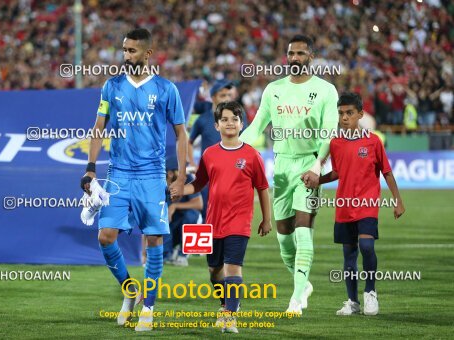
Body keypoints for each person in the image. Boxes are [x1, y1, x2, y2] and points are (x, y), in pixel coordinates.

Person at [80, 28, 188, 332]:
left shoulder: (167, 89)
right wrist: (90, 168)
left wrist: (180, 176)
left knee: (154, 238)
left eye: (132, 51)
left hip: (153, 175)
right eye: (124, 50)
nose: (126, 56)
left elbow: (181, 133)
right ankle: (130, 290)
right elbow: (99, 127)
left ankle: (149, 308)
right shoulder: (111, 87)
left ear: (147, 54)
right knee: (105, 236)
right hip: (118, 174)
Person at [239, 34, 339, 315]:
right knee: (284, 237)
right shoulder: (274, 89)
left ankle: (296, 298)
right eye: (291, 53)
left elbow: (330, 131)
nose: (294, 58)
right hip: (281, 166)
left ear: (312, 57)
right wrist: (234, 147)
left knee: (304, 229)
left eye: (300, 54)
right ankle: (302, 282)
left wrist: (319, 165)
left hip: (309, 164)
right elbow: (258, 124)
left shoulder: (325, 90)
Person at [173, 101, 272, 333]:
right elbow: (198, 183)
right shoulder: (209, 154)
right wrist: (179, 190)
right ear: (217, 125)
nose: (230, 123)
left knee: (233, 269)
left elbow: (263, 188)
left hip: (239, 222)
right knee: (215, 272)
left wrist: (267, 219)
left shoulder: (252, 155)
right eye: (225, 119)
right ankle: (226, 305)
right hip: (212, 222)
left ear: (241, 123)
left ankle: (230, 316)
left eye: (235, 119)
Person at [306, 92, 405, 316]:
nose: (344, 117)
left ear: (360, 114)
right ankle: (352, 301)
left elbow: (387, 172)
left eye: (350, 113)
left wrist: (398, 201)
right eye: (341, 113)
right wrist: (317, 179)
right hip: (344, 206)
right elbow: (337, 173)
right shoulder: (335, 143)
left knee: (367, 247)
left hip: (367, 205)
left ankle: (370, 292)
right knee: (349, 256)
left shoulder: (373, 141)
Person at [188, 79, 235, 222]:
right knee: (207, 213)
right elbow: (189, 142)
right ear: (213, 97)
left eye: (228, 95)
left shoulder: (236, 119)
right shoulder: (202, 119)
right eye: (222, 95)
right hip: (207, 175)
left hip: (230, 173)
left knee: (228, 214)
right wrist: (193, 163)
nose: (227, 98)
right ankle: (210, 243)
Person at [163, 156, 203, 266]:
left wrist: (175, 206)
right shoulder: (160, 182)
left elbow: (199, 204)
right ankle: (166, 254)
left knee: (191, 215)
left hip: (188, 220)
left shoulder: (188, 179)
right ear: (170, 173)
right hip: (171, 224)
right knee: (161, 217)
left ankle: (183, 255)